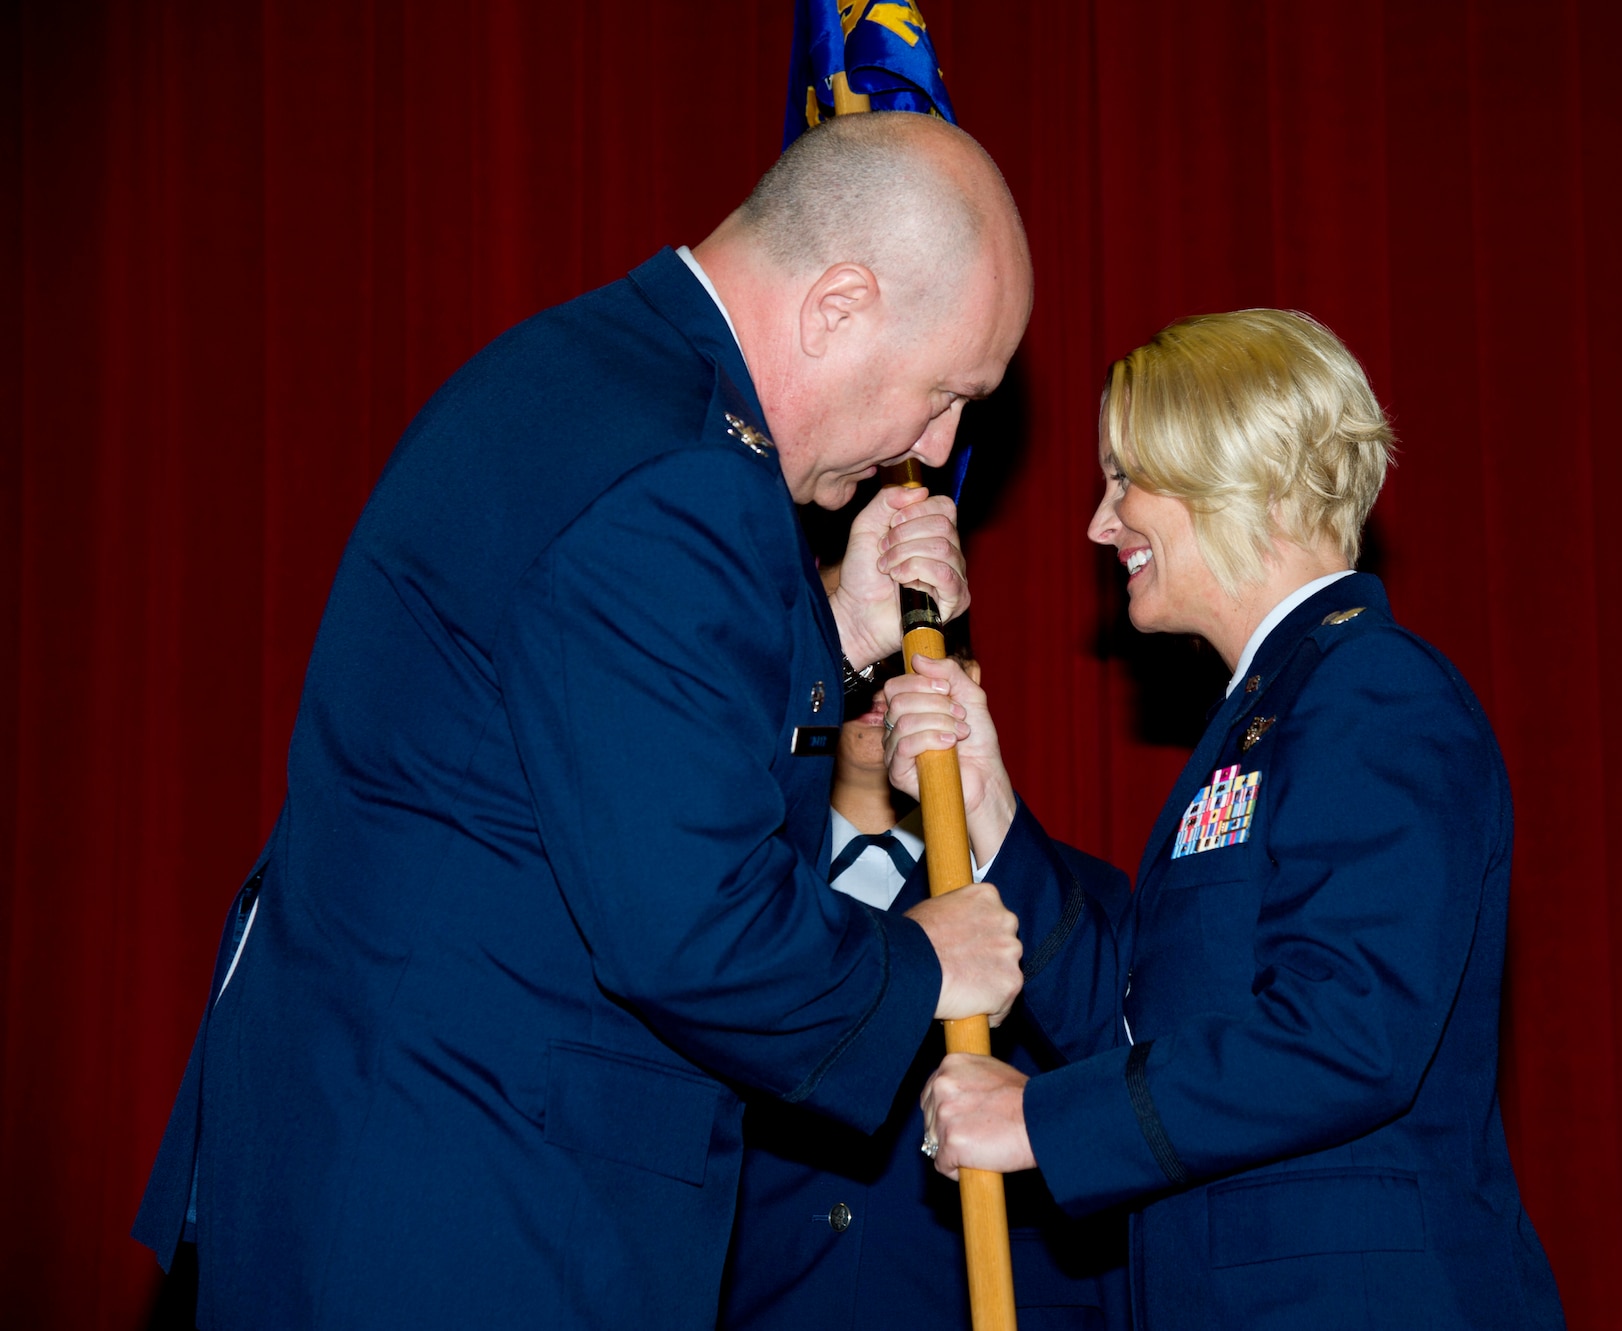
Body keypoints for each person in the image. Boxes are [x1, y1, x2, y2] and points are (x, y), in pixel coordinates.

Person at [131, 112, 1033, 1331]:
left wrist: (836, 633)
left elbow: (597, 736)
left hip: (398, 1151)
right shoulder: (678, 473)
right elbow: (691, 926)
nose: (934, 447)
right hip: (472, 1204)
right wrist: (922, 959)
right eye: (943, 394)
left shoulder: (602, 380)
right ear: (837, 306)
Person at [882, 310, 1568, 1329]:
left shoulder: (1373, 689)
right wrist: (990, 806)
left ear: (1233, 468)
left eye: (1125, 479)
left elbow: (1350, 1031)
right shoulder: (1265, 713)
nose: (1099, 525)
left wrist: (1037, 1118)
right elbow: (1134, 1027)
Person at [721, 607, 1128, 1330]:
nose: (881, 685)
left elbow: (1125, 1107)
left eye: (906, 659)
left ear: (967, 678)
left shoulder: (1079, 899)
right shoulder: (731, 903)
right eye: (860, 661)